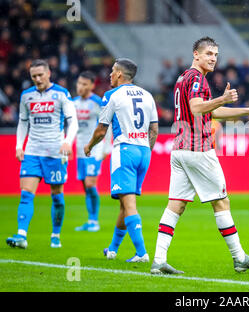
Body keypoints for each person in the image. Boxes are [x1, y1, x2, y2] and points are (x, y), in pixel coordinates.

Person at [151, 37, 249, 274]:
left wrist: (247, 110)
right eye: (208, 54)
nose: (213, 58)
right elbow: (197, 108)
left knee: (175, 205)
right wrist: (223, 98)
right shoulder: (196, 79)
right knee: (221, 201)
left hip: (180, 151)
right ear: (196, 54)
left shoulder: (183, 77)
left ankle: (158, 260)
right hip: (198, 149)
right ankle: (239, 258)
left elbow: (211, 110)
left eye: (216, 54)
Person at [84, 58, 158, 263]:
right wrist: (146, 150)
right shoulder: (148, 95)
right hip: (144, 152)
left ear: (119, 74)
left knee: (129, 204)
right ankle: (113, 249)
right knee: (125, 205)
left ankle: (142, 253)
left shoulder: (111, 95)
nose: (109, 75)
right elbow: (154, 130)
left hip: (124, 150)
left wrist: (89, 145)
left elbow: (101, 130)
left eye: (112, 71)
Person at [6, 59, 78, 249]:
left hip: (55, 152)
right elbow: (22, 122)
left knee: (56, 195)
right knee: (26, 193)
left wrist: (67, 142)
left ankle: (55, 234)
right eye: (33, 76)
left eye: (40, 75)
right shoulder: (26, 96)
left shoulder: (61, 94)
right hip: (32, 151)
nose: (37, 79)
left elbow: (73, 121)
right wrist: (19, 145)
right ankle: (21, 235)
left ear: (48, 74)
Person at [73, 71, 112, 232]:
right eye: (78, 83)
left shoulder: (97, 102)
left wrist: (107, 146)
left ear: (91, 85)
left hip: (95, 148)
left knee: (90, 183)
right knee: (85, 185)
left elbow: (106, 124)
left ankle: (94, 221)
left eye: (84, 84)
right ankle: (90, 220)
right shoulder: (73, 103)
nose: (80, 87)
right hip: (79, 148)